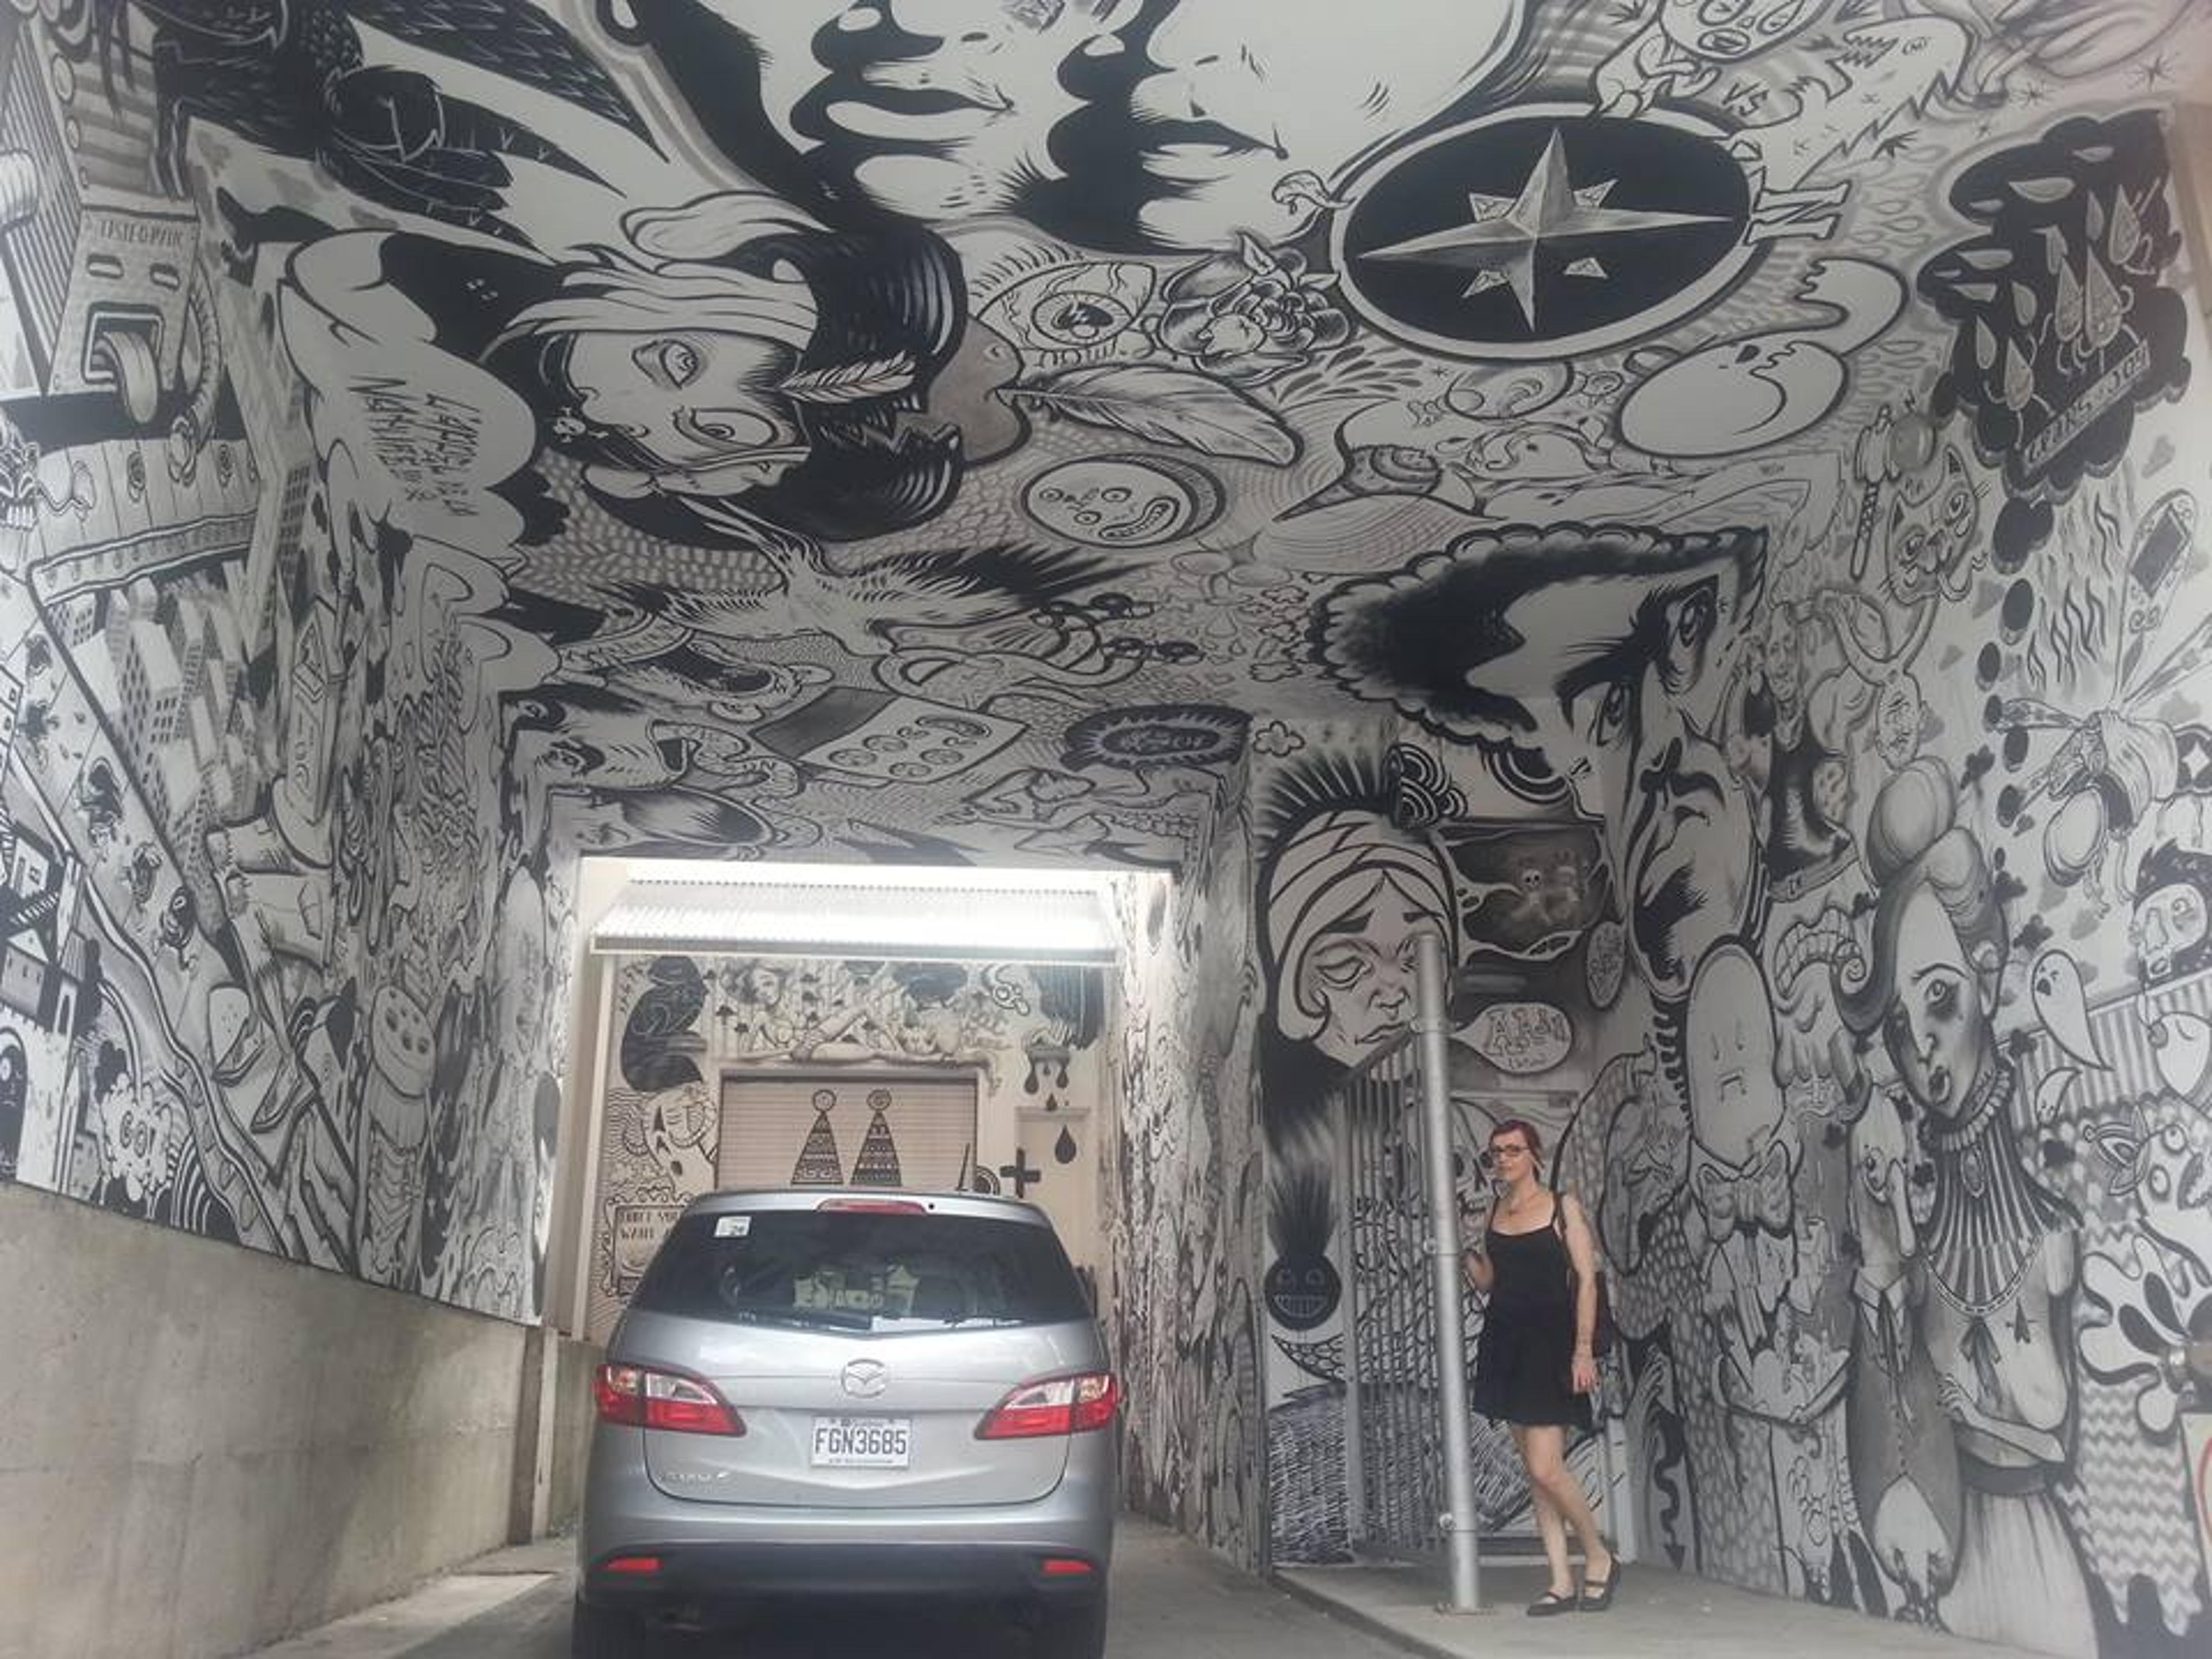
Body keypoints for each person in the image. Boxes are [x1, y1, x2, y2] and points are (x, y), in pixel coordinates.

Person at [1463, 1119, 1620, 1615]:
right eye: (1495, 1152)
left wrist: (1582, 1350)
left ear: (1535, 1154)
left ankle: (1599, 1555)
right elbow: (1489, 1282)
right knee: (1536, 1474)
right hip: (1505, 1343)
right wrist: (1464, 1246)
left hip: (1551, 1344)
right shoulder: (1493, 1210)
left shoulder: (1562, 1206)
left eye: (1513, 1150)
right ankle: (1560, 1581)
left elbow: (1587, 1280)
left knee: (1546, 1466)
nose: (1503, 1159)